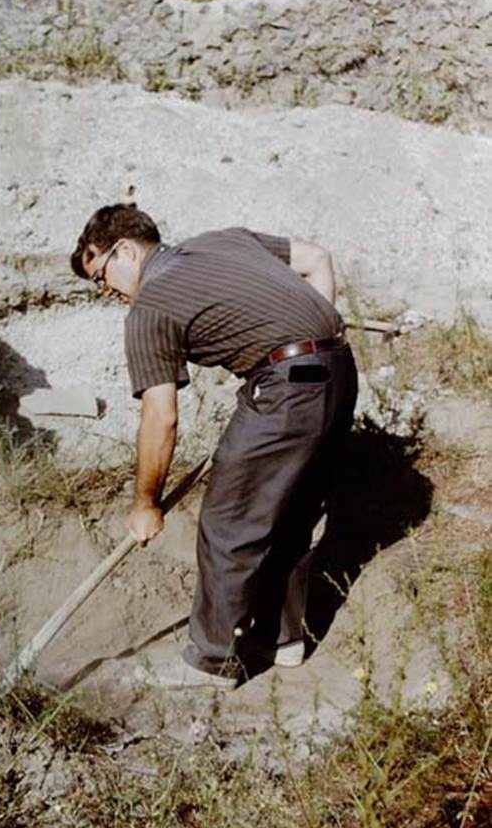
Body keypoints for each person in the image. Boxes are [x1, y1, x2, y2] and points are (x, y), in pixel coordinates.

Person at [70, 204, 358, 690]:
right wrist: (313, 339)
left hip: (288, 388)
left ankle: (211, 662)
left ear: (125, 251)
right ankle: (280, 640)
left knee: (228, 522)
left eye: (101, 276)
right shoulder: (224, 239)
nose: (108, 292)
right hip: (340, 370)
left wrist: (146, 504)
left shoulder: (150, 306)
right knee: (291, 512)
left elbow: (161, 418)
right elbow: (316, 259)